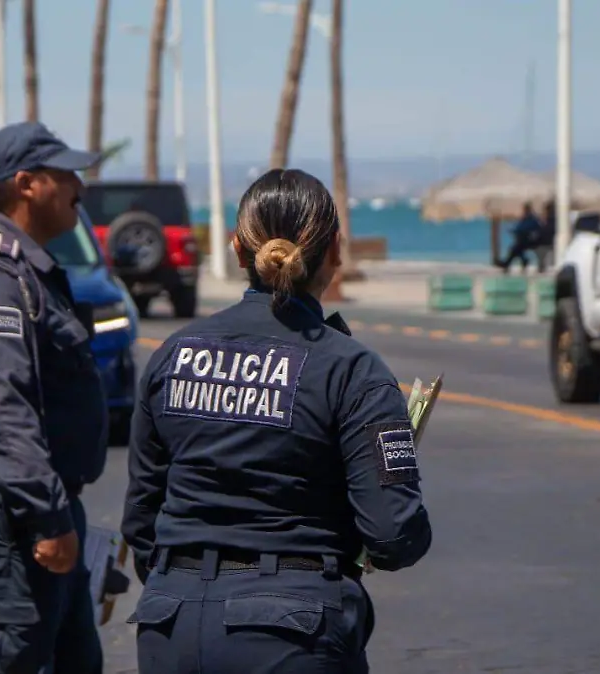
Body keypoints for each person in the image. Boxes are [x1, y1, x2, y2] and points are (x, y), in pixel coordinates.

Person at [121, 168, 433, 673]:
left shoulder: (172, 354)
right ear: (334, 249)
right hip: (292, 631)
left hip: (168, 624)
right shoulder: (351, 370)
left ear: (238, 251)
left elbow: (141, 521)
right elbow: (393, 535)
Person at [0, 121, 109, 674]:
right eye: (67, 175)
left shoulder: (12, 262)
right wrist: (51, 518)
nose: (79, 188)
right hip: (16, 521)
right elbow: (1, 410)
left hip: (38, 508)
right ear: (28, 183)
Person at [498, 202, 541, 274]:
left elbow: (527, 228)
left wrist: (516, 230)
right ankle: (523, 261)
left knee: (515, 249)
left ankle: (508, 263)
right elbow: (519, 227)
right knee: (516, 249)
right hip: (524, 239)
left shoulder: (532, 219)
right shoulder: (525, 218)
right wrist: (514, 230)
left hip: (530, 240)